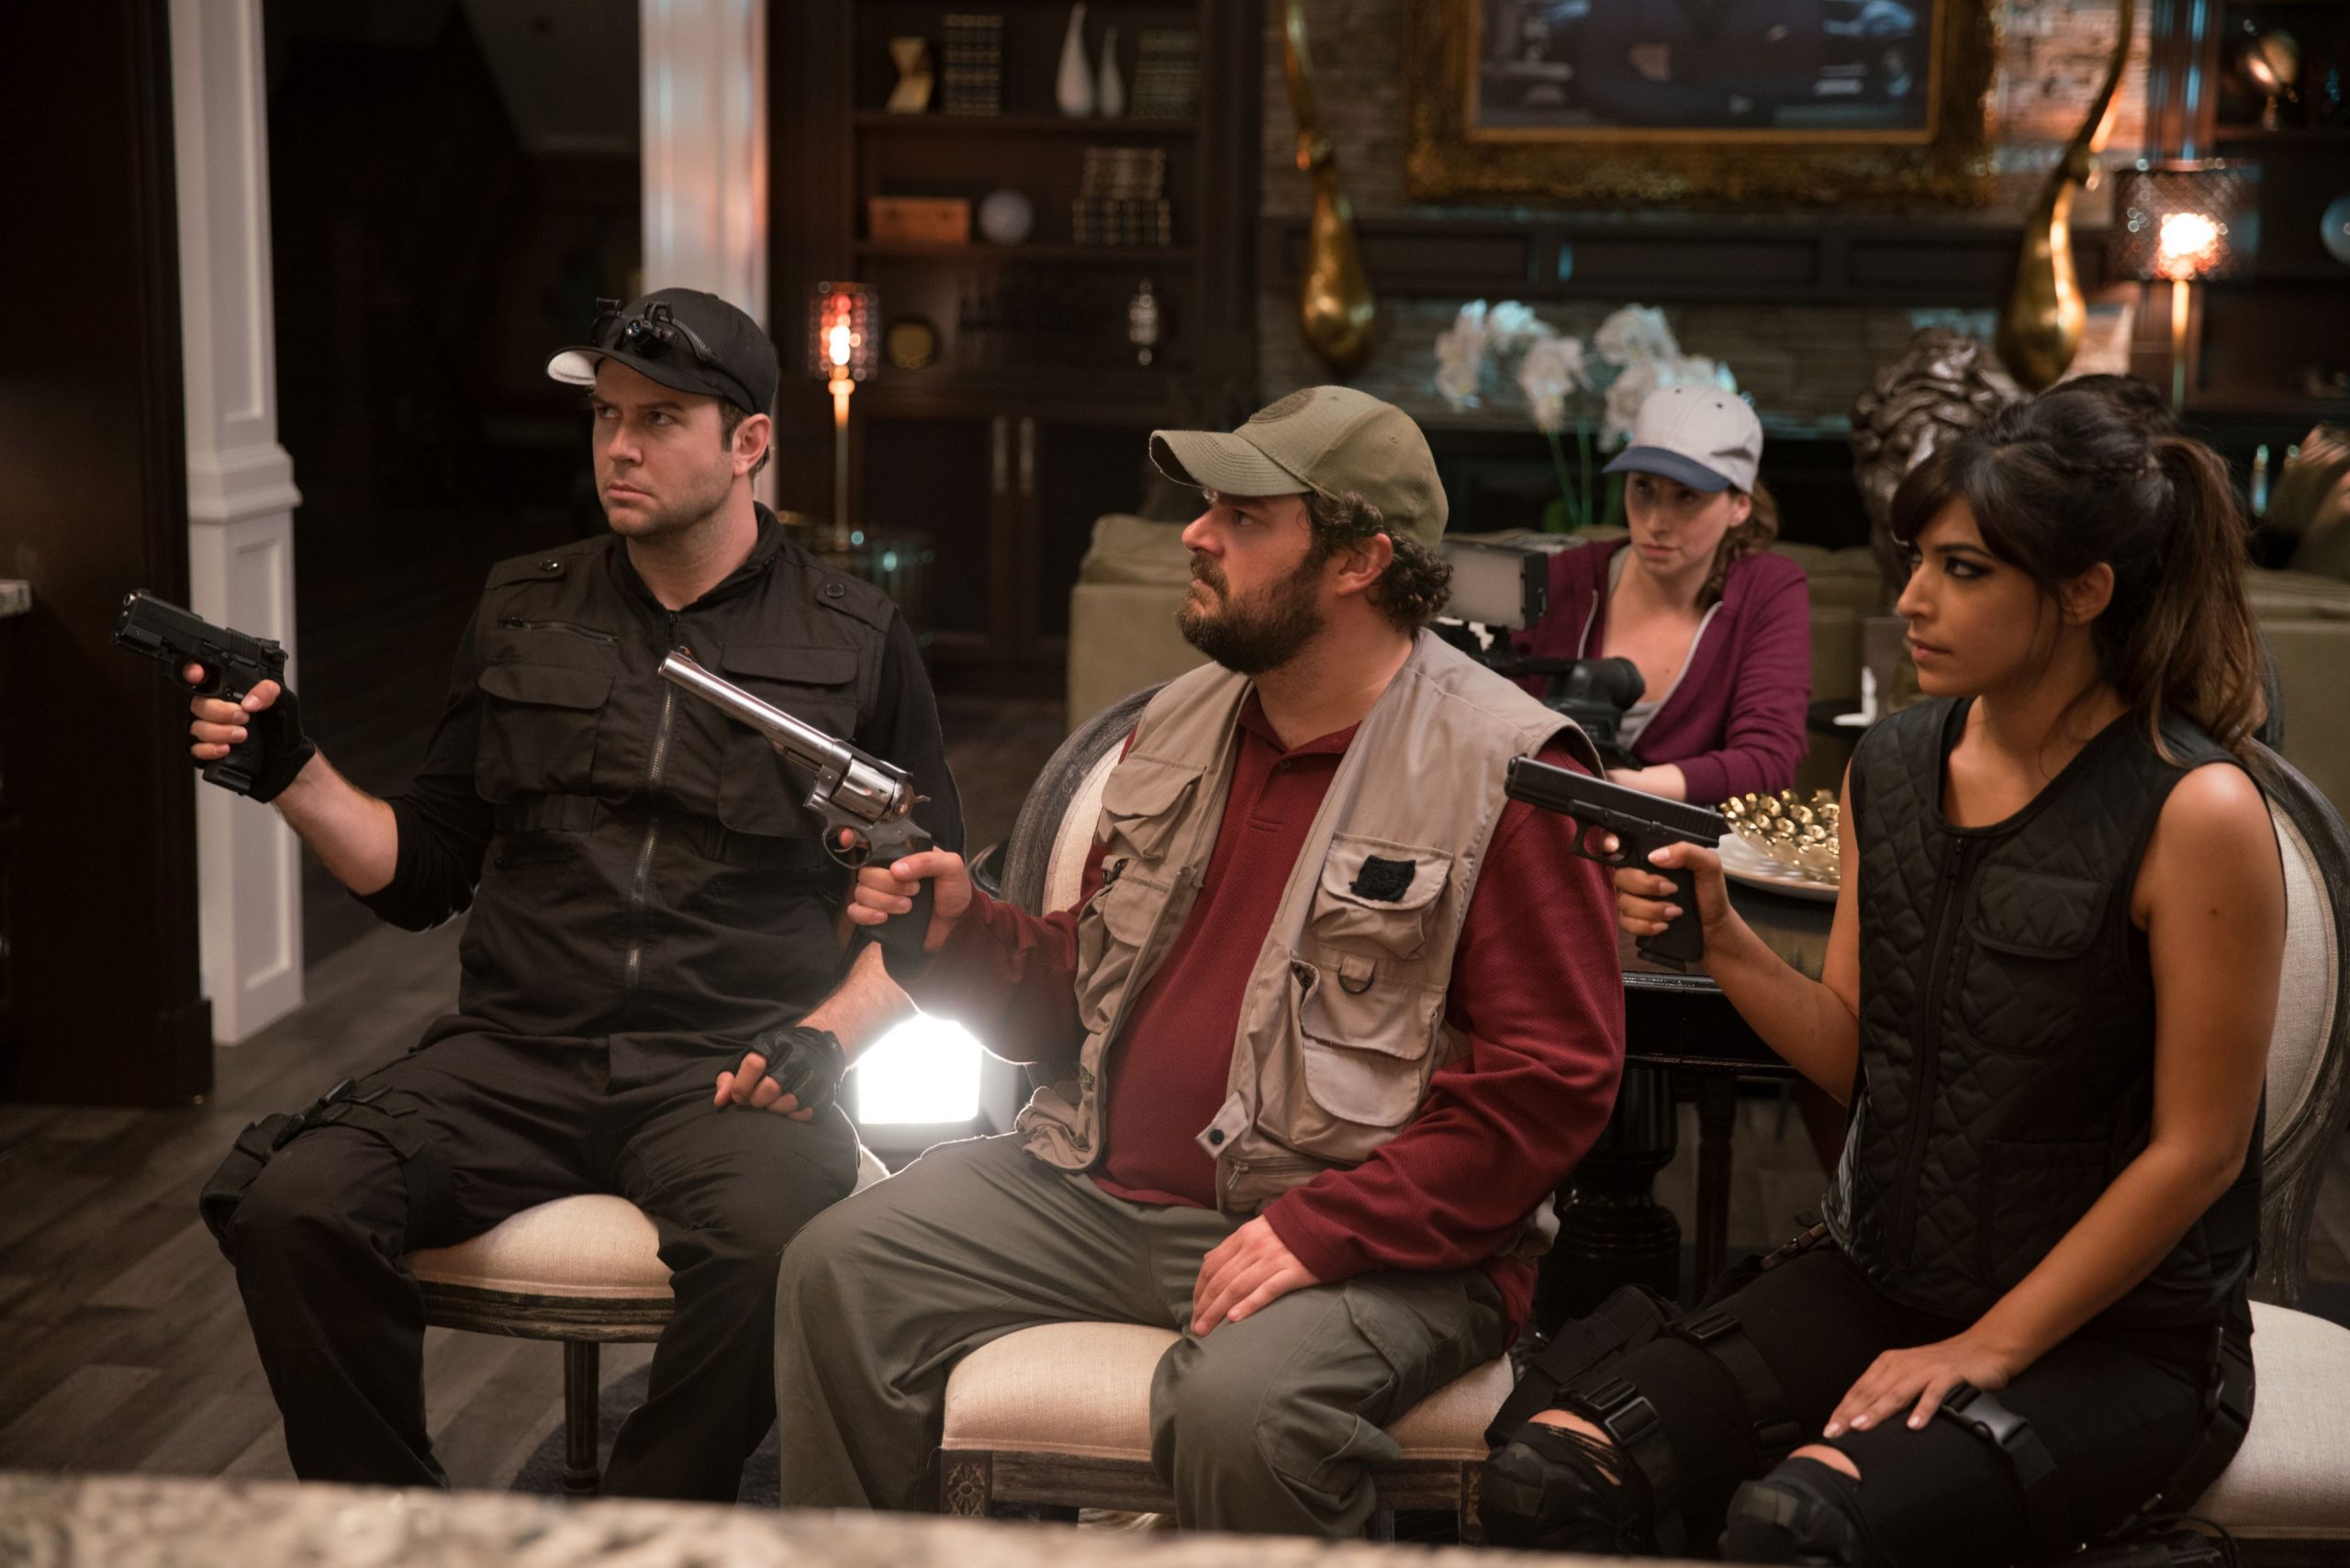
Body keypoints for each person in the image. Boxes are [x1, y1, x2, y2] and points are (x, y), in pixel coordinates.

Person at [770, 386, 1628, 1536]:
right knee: (838, 1268)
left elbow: (1550, 1084)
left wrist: (1320, 1230)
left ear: (1358, 560)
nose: (1195, 532)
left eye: (1242, 515)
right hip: (1094, 1190)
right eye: (1207, 507)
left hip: (1370, 1245)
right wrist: (959, 935)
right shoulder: (1176, 723)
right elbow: (1077, 996)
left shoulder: (1503, 770)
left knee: (1241, 1414)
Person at [1477, 391, 2284, 1564]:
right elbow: (1858, 1052)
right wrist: (1723, 941)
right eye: (1916, 560)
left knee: (1797, 1528)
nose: (1910, 599)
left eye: (1963, 570)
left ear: (2083, 591)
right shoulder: (1893, 766)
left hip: (2121, 1339)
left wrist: (1987, 1346)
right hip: (1882, 1279)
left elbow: (2197, 1151)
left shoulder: (2195, 808)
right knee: (1548, 1480)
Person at [185, 288, 962, 1499]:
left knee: (772, 1251)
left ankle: (644, 1529)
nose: (619, 448)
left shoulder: (853, 635)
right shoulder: (524, 604)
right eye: (606, 416)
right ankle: (406, 1536)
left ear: (748, 442)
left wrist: (825, 1037)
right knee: (293, 1207)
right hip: (513, 1054)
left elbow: (932, 905)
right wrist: (294, 773)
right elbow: (423, 869)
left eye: (659, 419)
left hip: (727, 1069)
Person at [1514, 385, 1809, 801]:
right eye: (1643, 488)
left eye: (1686, 496)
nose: (1656, 522)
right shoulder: (1568, 576)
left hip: (1687, 836)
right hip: (1544, 823)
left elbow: (1768, 761)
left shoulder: (1767, 589)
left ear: (1739, 506)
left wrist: (1612, 791)